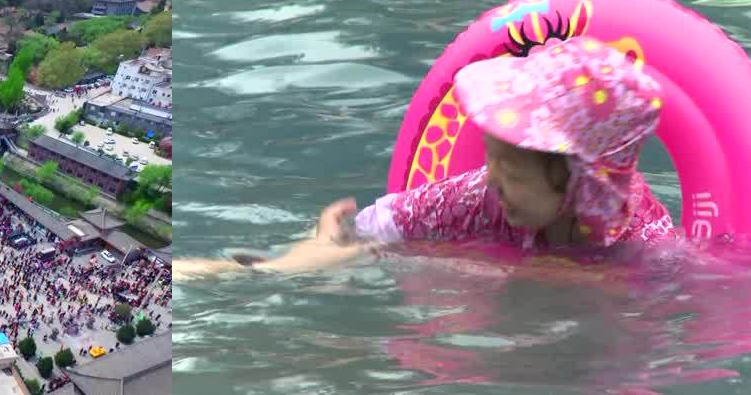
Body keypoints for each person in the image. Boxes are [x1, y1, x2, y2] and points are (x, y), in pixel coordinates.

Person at [176, 37, 674, 278]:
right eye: (491, 158)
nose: (493, 180)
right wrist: (329, 242)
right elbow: (379, 227)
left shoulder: (645, 240)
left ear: (573, 179)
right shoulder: (481, 194)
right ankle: (217, 272)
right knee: (299, 264)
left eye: (512, 171)